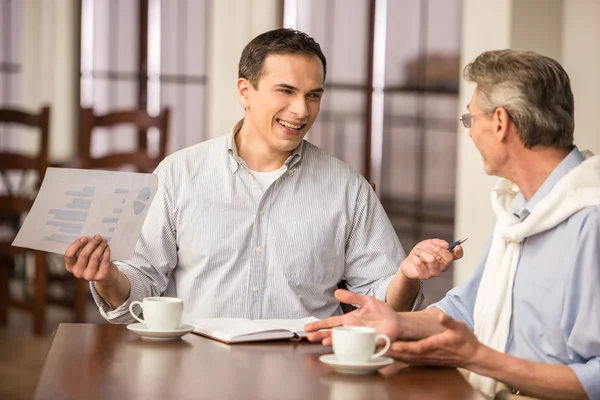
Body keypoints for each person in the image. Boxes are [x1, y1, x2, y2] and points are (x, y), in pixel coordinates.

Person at [63, 29, 462, 324]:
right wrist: (109, 277)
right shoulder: (178, 174)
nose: (301, 110)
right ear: (245, 91)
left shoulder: (346, 188)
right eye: (285, 91)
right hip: (196, 365)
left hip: (306, 367)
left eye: (313, 95)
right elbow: (144, 280)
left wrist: (406, 275)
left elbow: (383, 303)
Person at [306, 49, 600, 400]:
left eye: (470, 119)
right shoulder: (520, 210)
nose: (471, 133)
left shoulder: (590, 220)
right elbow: (466, 309)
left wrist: (478, 357)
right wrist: (395, 321)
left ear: (501, 122)